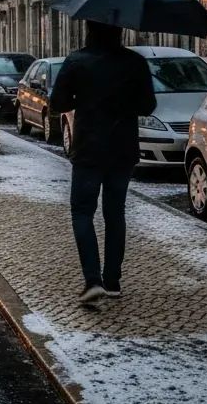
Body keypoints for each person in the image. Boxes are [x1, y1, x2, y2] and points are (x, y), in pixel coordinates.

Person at [49, 20, 156, 305]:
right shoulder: (134, 62)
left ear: (89, 29)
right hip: (122, 149)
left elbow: (57, 103)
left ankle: (92, 280)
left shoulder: (77, 61)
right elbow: (148, 106)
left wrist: (81, 96)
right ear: (121, 31)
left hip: (88, 150)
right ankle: (113, 280)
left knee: (82, 212)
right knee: (115, 212)